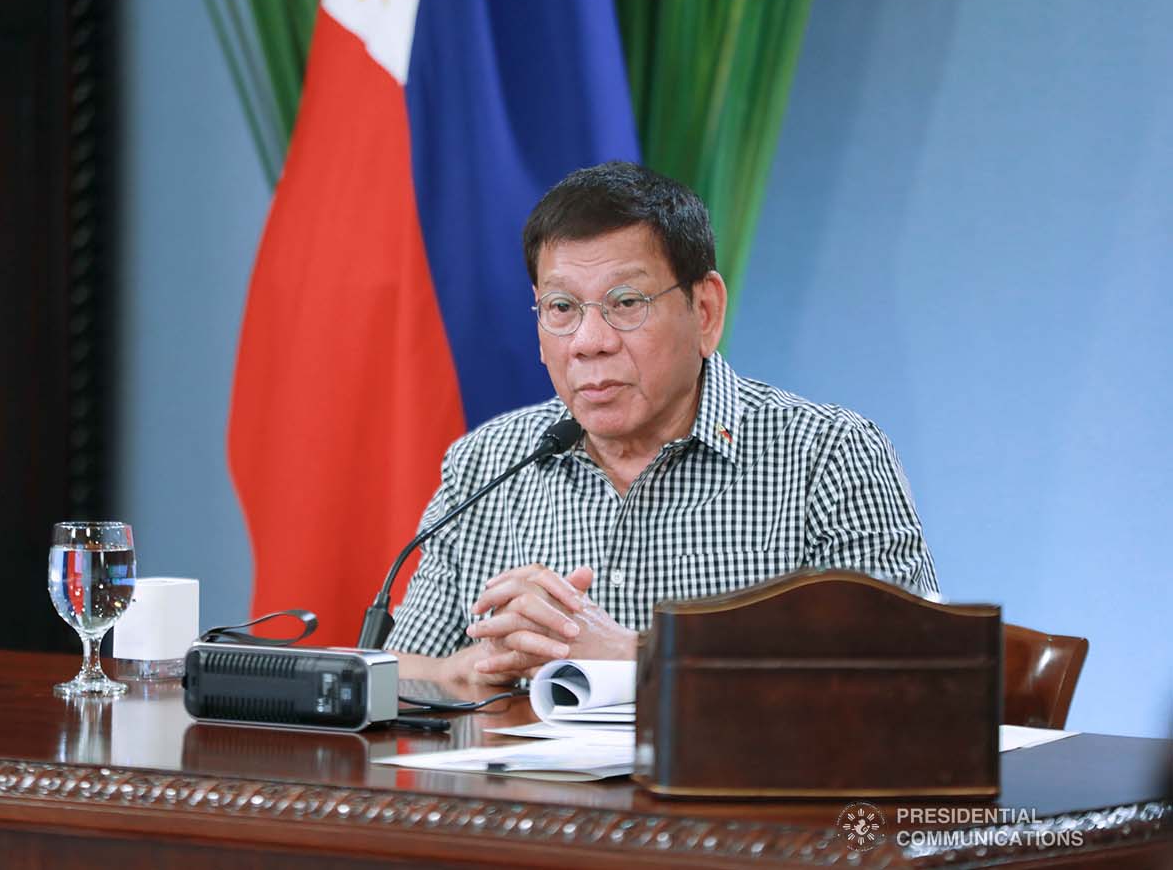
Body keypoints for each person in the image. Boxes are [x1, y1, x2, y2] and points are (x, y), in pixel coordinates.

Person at [385, 161, 937, 685]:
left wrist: (636, 657)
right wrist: (472, 669)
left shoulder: (829, 455)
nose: (588, 342)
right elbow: (402, 673)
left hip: (736, 784)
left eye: (626, 302)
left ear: (705, 311)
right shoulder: (487, 463)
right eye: (561, 308)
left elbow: (904, 670)